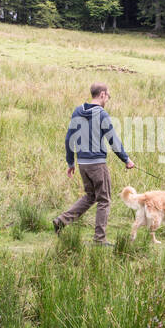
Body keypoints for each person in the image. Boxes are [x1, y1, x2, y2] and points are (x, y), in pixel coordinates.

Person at [53, 82, 135, 244]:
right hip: (97, 164)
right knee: (104, 200)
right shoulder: (102, 115)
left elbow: (69, 138)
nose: (107, 99)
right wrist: (126, 159)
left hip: (83, 164)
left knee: (91, 196)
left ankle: (61, 221)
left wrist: (71, 162)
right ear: (102, 94)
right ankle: (99, 239)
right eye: (108, 96)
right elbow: (113, 140)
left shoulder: (78, 111)